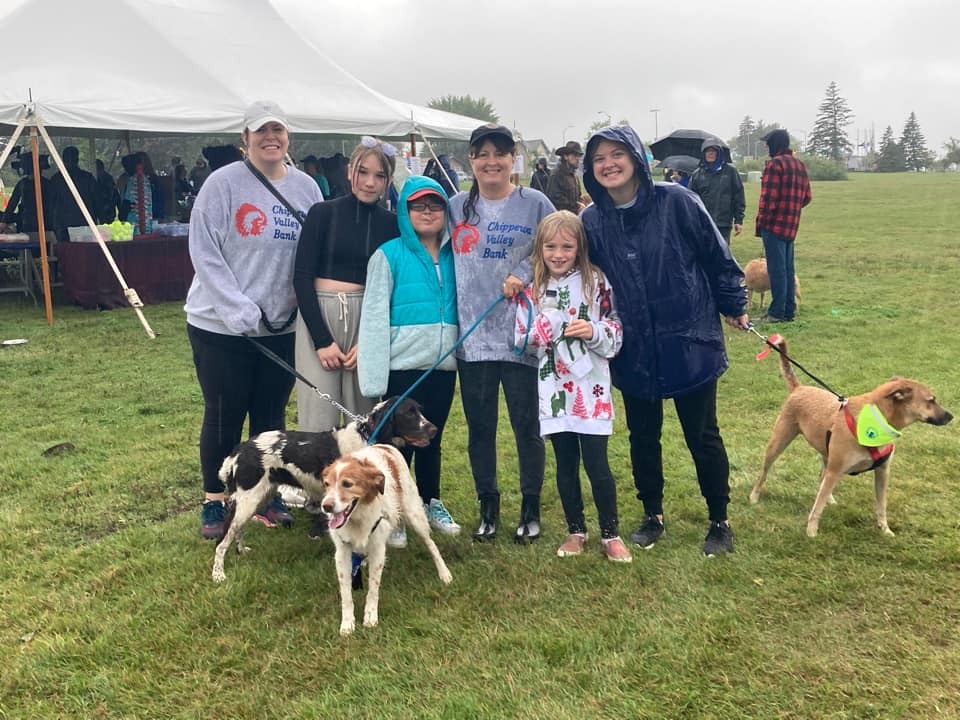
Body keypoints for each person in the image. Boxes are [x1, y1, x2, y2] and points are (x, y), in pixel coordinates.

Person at [580, 125, 748, 557]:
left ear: (636, 158)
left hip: (689, 337)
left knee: (702, 434)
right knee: (642, 435)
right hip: (633, 346)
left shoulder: (678, 202)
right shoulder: (592, 221)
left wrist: (733, 302)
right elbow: (574, 273)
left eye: (617, 154)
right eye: (599, 158)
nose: (608, 165)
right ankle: (651, 513)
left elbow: (716, 256)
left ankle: (719, 519)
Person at [185, 100, 324, 541]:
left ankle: (265, 497)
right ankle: (214, 499)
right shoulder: (222, 184)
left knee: (269, 418)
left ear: (288, 137)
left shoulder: (306, 188)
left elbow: (315, 251)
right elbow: (204, 251)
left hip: (280, 326)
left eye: (277, 130)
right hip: (220, 327)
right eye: (260, 131)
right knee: (224, 415)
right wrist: (236, 307)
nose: (270, 138)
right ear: (244, 139)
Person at [448, 123, 555, 543]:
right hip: (472, 340)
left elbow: (557, 247)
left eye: (501, 153)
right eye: (483, 154)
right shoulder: (456, 207)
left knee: (528, 426)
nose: (492, 162)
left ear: (514, 159)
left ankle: (530, 506)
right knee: (480, 429)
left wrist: (523, 272)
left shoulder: (535, 203)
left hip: (521, 338)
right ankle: (487, 505)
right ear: (471, 160)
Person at [515, 210, 631, 562]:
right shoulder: (532, 289)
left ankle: (611, 533)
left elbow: (616, 331)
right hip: (554, 390)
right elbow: (522, 340)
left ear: (580, 247)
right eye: (550, 246)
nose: (558, 254)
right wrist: (543, 329)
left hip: (591, 389)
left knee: (597, 464)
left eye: (567, 246)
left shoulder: (596, 282)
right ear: (540, 248)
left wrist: (593, 331)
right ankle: (576, 530)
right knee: (565, 463)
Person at [358, 176, 461, 546]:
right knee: (396, 445)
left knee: (432, 437)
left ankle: (432, 502)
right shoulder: (388, 256)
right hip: (402, 368)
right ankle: (395, 512)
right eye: (418, 205)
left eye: (435, 204)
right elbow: (373, 316)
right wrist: (374, 379)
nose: (427, 212)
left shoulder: (456, 254)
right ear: (404, 210)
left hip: (443, 367)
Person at [293, 136, 398, 432]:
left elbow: (392, 286)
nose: (369, 182)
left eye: (379, 176)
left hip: (368, 317)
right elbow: (301, 277)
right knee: (318, 418)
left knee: (364, 418)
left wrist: (369, 343)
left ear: (388, 180)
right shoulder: (322, 213)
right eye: (363, 172)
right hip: (321, 314)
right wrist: (322, 341)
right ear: (350, 171)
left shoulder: (391, 224)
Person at [755, 128, 812, 324]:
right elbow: (807, 197)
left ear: (774, 144)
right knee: (787, 269)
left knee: (776, 270)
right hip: (791, 226)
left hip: (774, 226)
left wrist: (762, 222)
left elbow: (768, 199)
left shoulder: (774, 165)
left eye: (768, 143)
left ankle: (776, 312)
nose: (766, 147)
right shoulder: (800, 165)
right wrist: (792, 209)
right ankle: (788, 310)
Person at [688, 140, 746, 244]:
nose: (710, 153)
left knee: (722, 252)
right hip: (703, 222)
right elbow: (690, 199)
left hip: (723, 223)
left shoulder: (730, 172)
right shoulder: (697, 174)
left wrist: (739, 220)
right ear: (703, 153)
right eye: (707, 151)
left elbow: (738, 196)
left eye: (713, 151)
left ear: (719, 153)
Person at [50, 146, 100, 240]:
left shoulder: (56, 180)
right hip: (81, 224)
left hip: (66, 225)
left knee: (66, 249)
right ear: (77, 160)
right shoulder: (88, 178)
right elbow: (97, 203)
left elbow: (50, 205)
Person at [0, 152, 53, 233]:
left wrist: (4, 221)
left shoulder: (23, 184)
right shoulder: (48, 184)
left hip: (26, 224)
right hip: (45, 224)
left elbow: (12, 203)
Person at [546, 140, 585, 213]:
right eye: (575, 155)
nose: (578, 158)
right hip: (560, 217)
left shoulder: (574, 176)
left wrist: (582, 204)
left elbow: (578, 196)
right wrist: (577, 207)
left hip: (574, 216)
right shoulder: (557, 174)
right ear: (566, 156)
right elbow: (556, 199)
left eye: (579, 156)